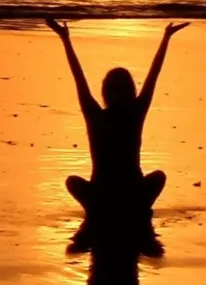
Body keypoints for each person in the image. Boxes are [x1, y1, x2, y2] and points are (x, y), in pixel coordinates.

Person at [46, 17, 187, 221]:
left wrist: (65, 39)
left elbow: (80, 79)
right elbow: (152, 76)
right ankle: (132, 208)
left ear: (105, 91)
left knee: (73, 182)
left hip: (101, 195)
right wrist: (165, 38)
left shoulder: (98, 115)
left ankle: (103, 210)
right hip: (133, 194)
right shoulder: (134, 113)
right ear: (131, 90)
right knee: (158, 177)